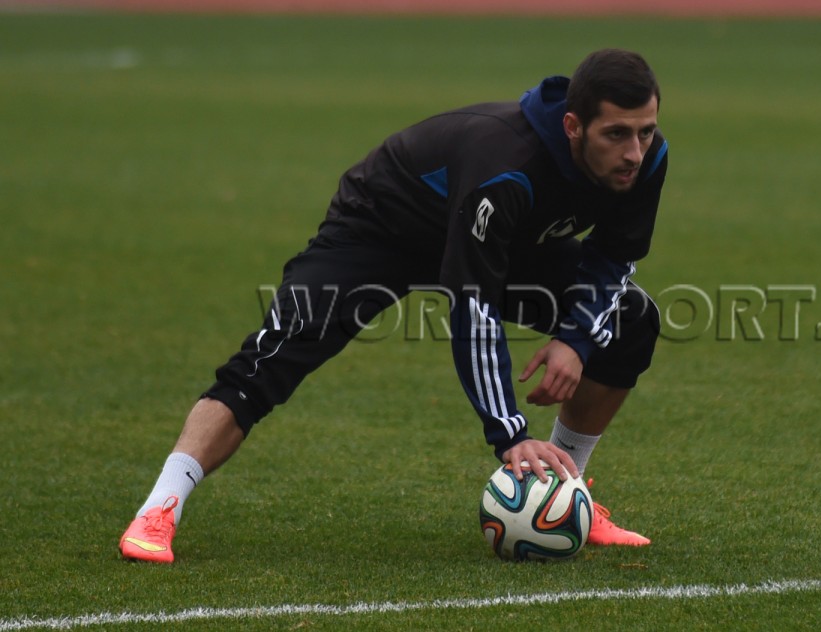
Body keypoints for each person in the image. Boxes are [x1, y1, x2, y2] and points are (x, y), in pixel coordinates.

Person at [119, 48, 669, 563]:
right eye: (616, 134)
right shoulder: (506, 162)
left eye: (645, 131)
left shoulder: (644, 160)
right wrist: (511, 434)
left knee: (630, 322)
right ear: (573, 126)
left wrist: (575, 340)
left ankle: (564, 495)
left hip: (508, 242)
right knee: (273, 357)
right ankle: (158, 509)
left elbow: (613, 257)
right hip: (381, 230)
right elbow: (472, 305)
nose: (634, 152)